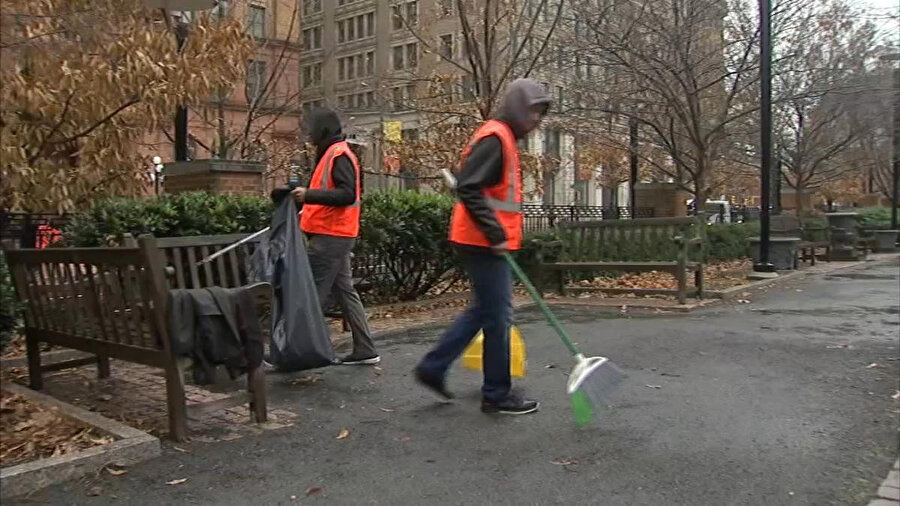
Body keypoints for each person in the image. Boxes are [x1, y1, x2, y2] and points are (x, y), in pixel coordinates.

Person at [415, 79, 550, 414]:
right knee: (499, 316)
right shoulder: (495, 138)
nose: (537, 119)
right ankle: (496, 394)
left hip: (482, 239)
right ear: (518, 106)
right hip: (482, 241)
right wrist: (495, 233)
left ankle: (433, 367)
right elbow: (470, 189)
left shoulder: (500, 138)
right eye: (534, 110)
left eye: (541, 113)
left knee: (485, 310)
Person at [291, 107, 380, 365]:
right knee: (344, 291)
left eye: (311, 130)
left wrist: (308, 195)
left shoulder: (338, 154)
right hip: (336, 234)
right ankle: (366, 349)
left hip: (330, 236)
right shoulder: (332, 153)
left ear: (323, 130)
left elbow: (346, 194)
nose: (308, 135)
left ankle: (296, 352)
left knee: (310, 292)